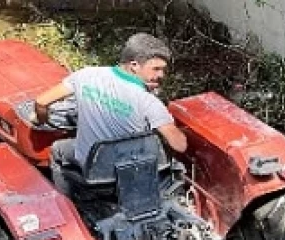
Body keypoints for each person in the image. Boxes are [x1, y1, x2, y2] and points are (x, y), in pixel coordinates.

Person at [33, 33, 188, 196]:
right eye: (156, 69)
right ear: (134, 65)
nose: (161, 75)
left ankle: (67, 201)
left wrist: (44, 119)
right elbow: (180, 145)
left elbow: (42, 102)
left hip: (94, 172)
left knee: (58, 149)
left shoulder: (85, 75)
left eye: (163, 70)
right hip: (130, 173)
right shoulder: (148, 102)